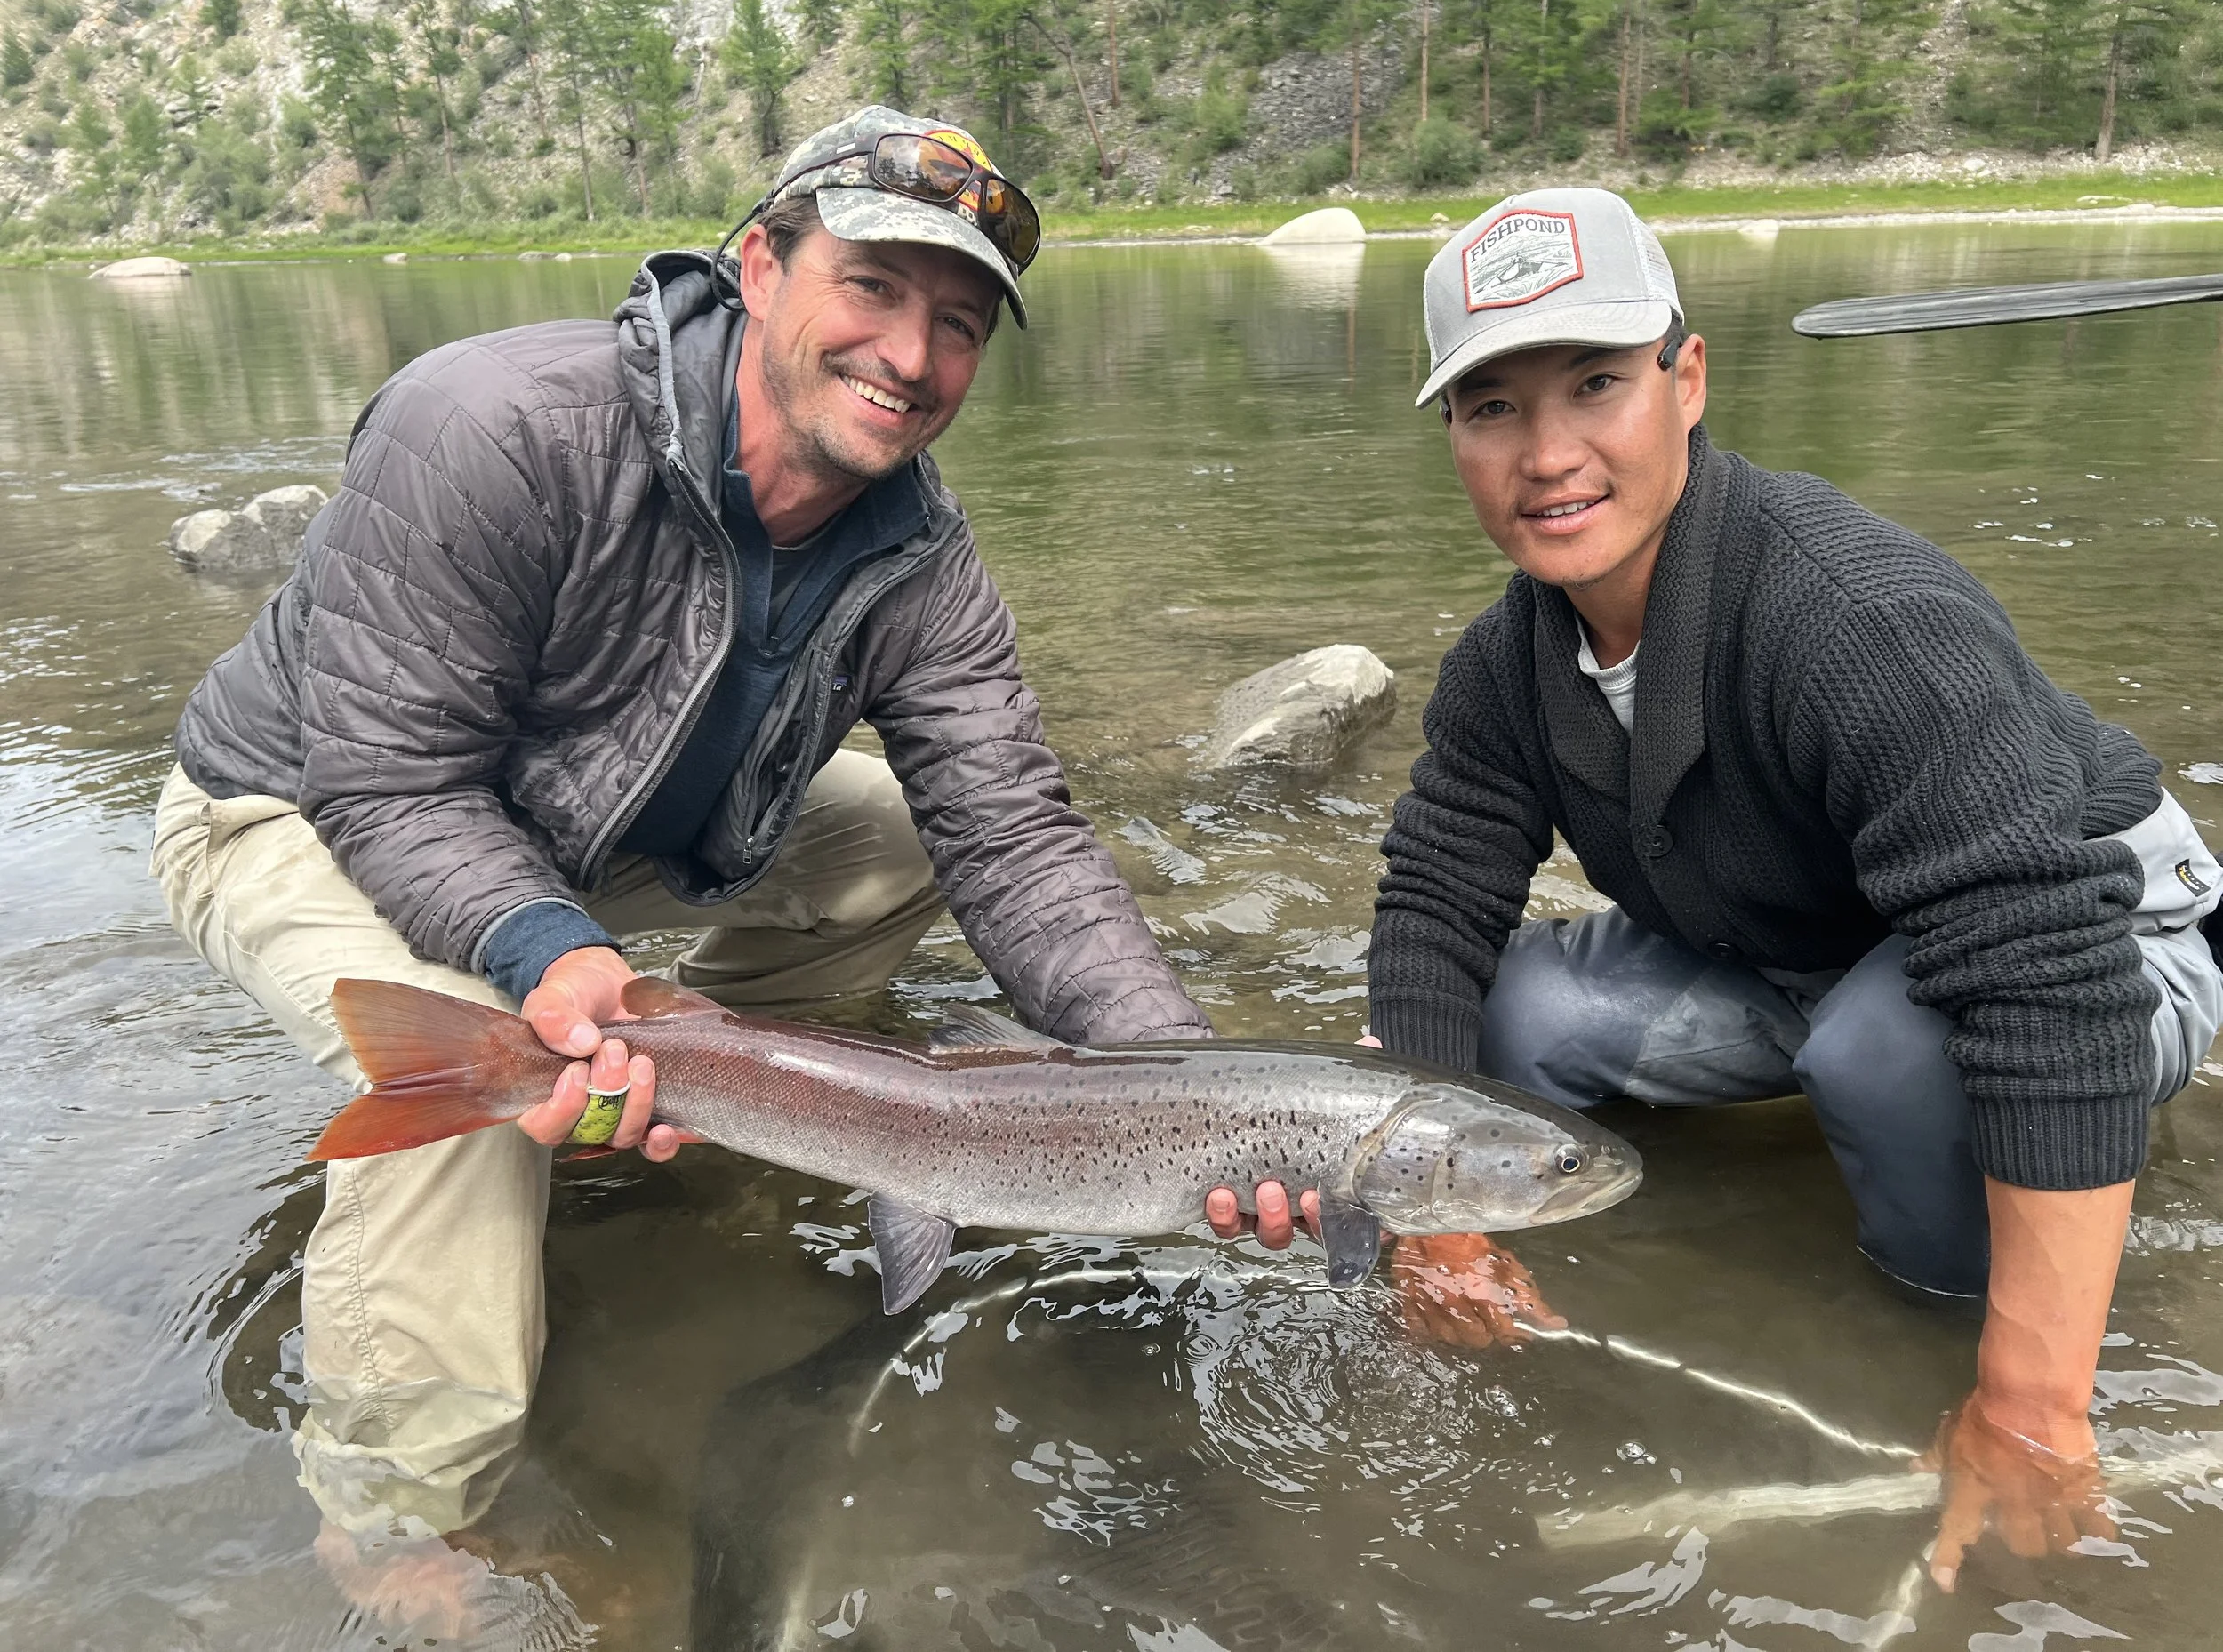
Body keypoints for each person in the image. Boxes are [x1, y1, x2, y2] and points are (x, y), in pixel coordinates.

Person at [149, 106, 1310, 1576]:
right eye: (874, 289)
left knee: (895, 845)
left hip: (592, 822)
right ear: (758, 264)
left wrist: (1200, 1088)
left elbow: (1015, 838)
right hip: (300, 802)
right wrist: (553, 952)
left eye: (958, 324)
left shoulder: (919, 555)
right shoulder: (494, 426)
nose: (911, 355)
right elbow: (391, 781)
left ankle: (730, 1093)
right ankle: (396, 1503)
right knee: (491, 1059)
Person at [1366, 187, 2223, 1593]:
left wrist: (2028, 1402)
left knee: (1888, 1048)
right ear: (1452, 438)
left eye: (1595, 383)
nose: (1551, 454)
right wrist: (1429, 1213)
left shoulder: (1854, 620)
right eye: (1492, 407)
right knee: (1514, 1011)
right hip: (1811, 945)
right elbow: (1432, 907)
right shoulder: (1501, 670)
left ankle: (1946, 1315)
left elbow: (2046, 982)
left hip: (2106, 930)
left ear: (1687, 379)